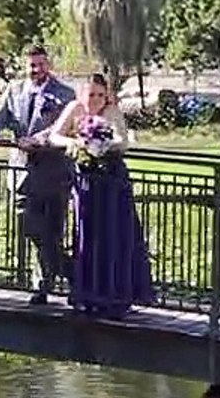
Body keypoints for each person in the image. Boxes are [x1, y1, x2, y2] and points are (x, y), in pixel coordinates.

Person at [48, 73, 155, 318]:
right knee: (88, 232)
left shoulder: (112, 111)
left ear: (106, 95)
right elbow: (55, 136)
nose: (95, 100)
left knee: (116, 231)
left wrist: (101, 142)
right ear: (81, 94)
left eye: (100, 95)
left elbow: (123, 140)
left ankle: (118, 294)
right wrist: (75, 142)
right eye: (91, 94)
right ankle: (88, 292)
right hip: (86, 179)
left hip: (113, 178)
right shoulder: (74, 108)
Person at [0, 45, 75, 305]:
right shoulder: (14, 90)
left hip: (54, 172)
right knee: (30, 226)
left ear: (49, 64)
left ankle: (42, 286)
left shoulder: (65, 94)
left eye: (41, 64)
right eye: (32, 65)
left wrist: (39, 140)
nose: (37, 70)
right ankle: (72, 273)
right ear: (25, 66)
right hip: (22, 173)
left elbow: (65, 126)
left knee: (53, 231)